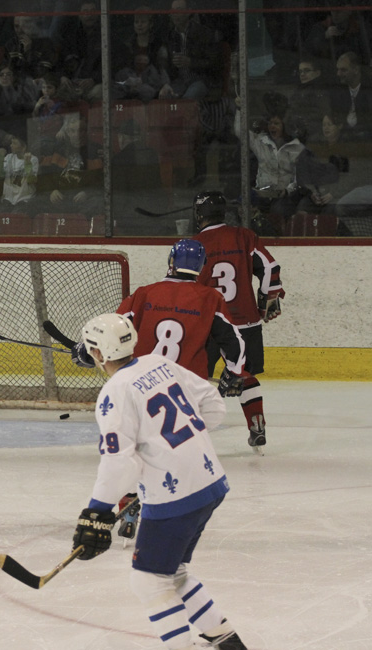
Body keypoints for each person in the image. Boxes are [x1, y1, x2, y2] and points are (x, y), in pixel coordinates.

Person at [70, 313, 249, 650]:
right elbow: (213, 405)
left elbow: (118, 459)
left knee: (148, 580)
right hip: (210, 481)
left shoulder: (113, 393)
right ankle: (226, 641)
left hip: (176, 495)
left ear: (96, 354)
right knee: (172, 570)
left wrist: (96, 510)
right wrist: (178, 451)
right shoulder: (159, 363)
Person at [192, 191, 285, 451]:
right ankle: (257, 424)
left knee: (196, 378)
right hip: (246, 321)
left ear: (199, 215)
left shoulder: (195, 244)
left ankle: (190, 434)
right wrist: (269, 297)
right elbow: (269, 268)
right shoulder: (244, 236)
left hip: (210, 325)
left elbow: (187, 286)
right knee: (244, 374)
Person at [102, 239, 246, 388]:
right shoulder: (211, 298)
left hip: (143, 385)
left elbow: (113, 329)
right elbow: (232, 341)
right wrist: (233, 372)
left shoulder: (143, 294)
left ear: (171, 260)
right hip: (189, 387)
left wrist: (87, 351)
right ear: (202, 266)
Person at [328, 51, 372, 142]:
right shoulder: (338, 90)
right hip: (344, 139)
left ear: (356, 70)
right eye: (338, 69)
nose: (338, 74)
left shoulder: (368, 89)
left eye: (343, 70)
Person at [0, 135, 39, 212]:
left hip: (24, 199)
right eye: (11, 143)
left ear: (23, 147)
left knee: (17, 216)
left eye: (14, 143)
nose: (11, 145)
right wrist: (0, 158)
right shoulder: (9, 157)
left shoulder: (33, 159)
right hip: (8, 199)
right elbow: (0, 175)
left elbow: (31, 181)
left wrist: (28, 164)